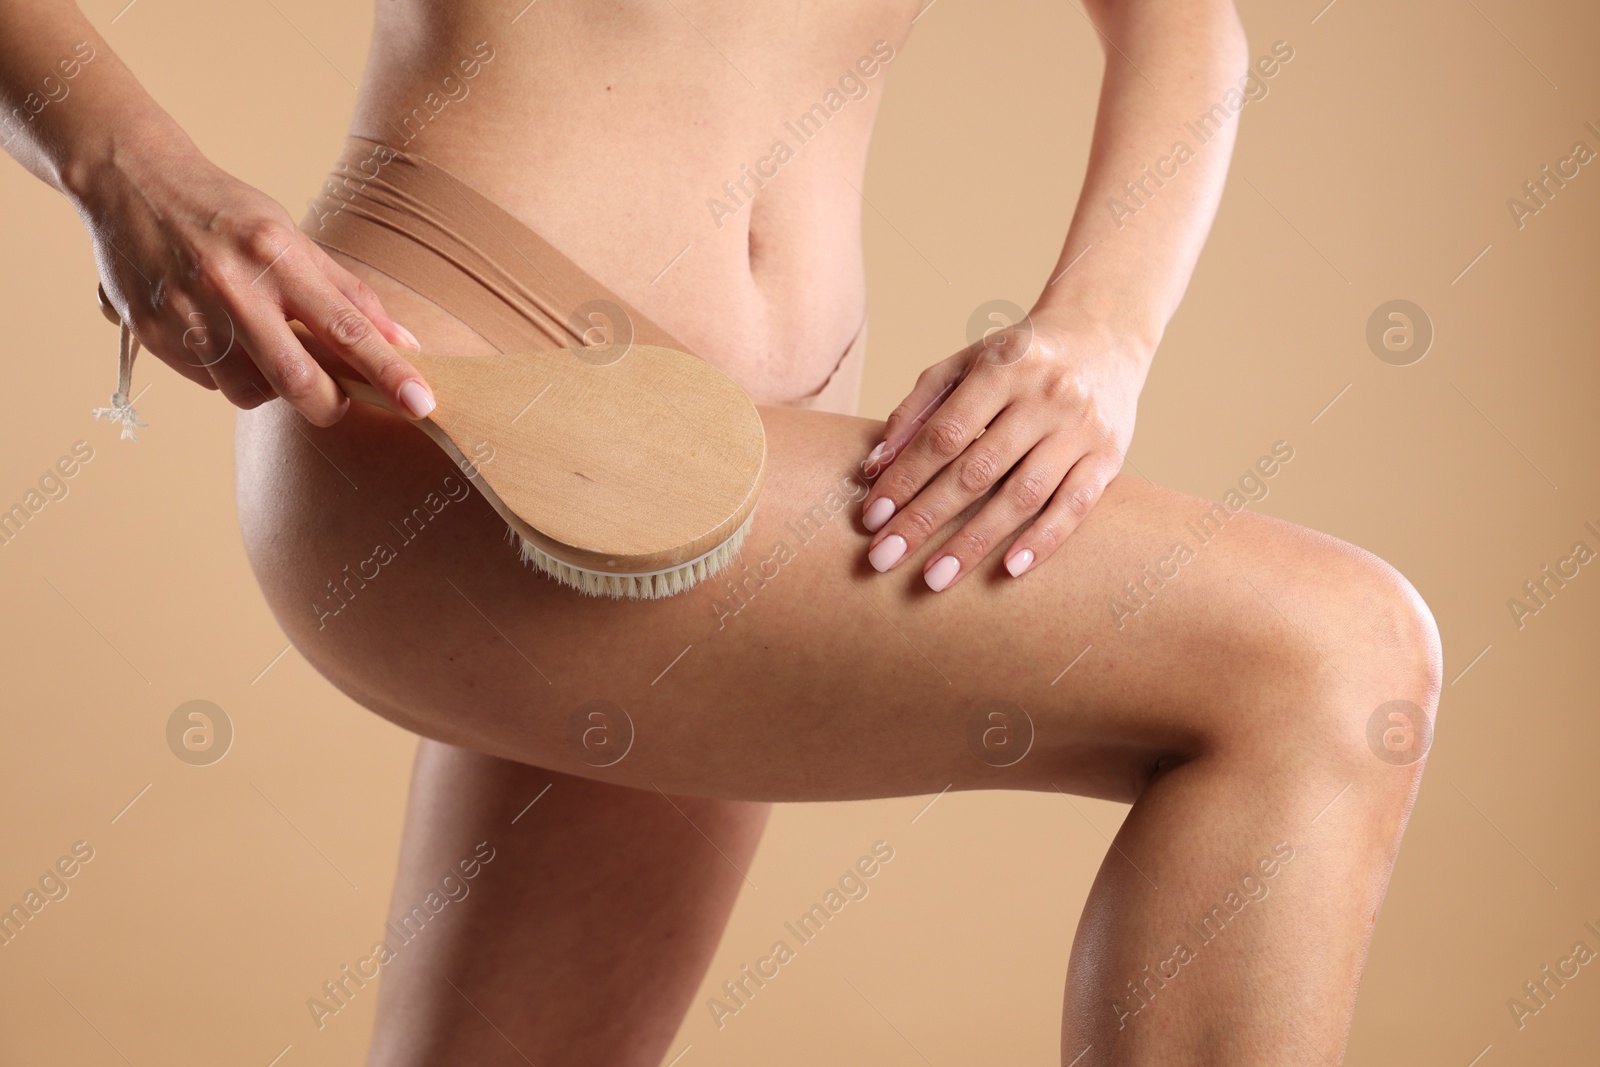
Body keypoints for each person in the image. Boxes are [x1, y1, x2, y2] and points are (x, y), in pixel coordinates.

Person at [1, 0, 1442, 1062]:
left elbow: (1183, 26)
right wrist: (118, 165)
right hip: (455, 391)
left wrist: (1101, 333)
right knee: (1332, 664)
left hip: (738, 444)